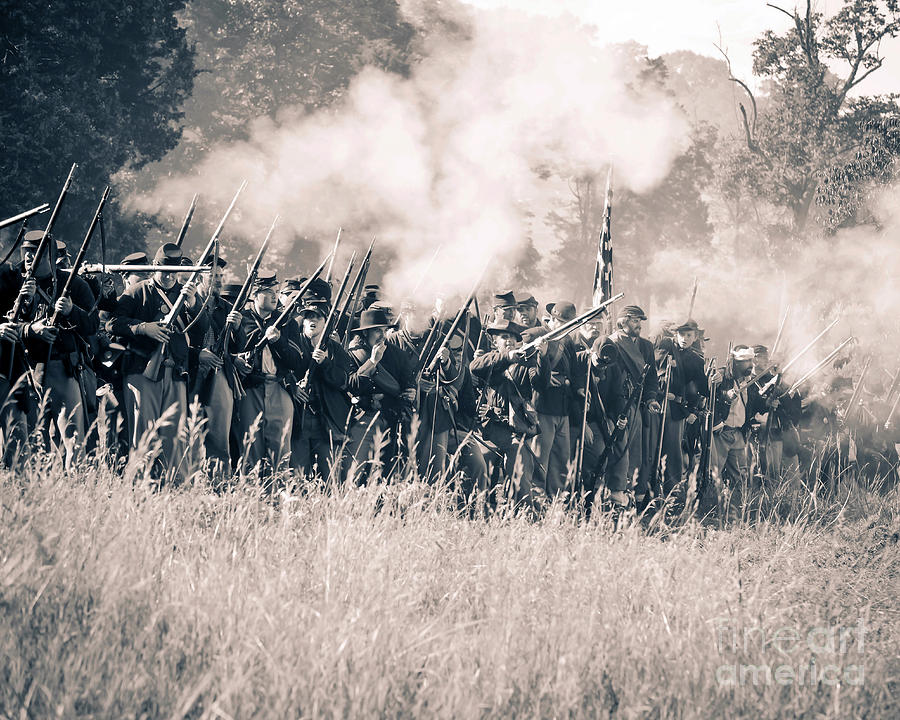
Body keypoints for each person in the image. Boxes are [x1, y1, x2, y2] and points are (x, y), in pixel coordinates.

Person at [109, 242, 209, 478]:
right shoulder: (138, 291)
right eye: (164, 271)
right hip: (143, 372)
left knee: (175, 438)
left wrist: (193, 303)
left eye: (173, 272)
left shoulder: (186, 294)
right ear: (154, 266)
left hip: (175, 374)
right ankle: (139, 489)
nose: (168, 276)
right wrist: (144, 328)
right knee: (143, 437)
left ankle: (177, 492)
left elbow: (202, 329)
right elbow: (113, 323)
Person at [234, 271, 302, 479]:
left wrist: (277, 340)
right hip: (249, 389)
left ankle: (279, 498)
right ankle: (249, 498)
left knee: (280, 452)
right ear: (254, 294)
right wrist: (237, 359)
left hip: (279, 388)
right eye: (268, 291)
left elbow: (296, 362)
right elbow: (228, 352)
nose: (274, 296)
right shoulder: (240, 320)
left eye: (275, 291)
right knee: (249, 449)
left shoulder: (287, 323)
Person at [470, 319, 540, 507]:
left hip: (512, 428)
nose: (509, 341)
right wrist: (507, 357)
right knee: (483, 462)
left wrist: (541, 355)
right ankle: (479, 509)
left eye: (512, 338)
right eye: (504, 337)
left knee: (519, 458)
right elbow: (474, 367)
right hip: (487, 428)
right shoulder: (490, 360)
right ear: (495, 342)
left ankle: (523, 509)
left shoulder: (525, 364)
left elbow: (541, 382)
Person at [603, 305, 661, 511]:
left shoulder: (645, 346)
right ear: (622, 322)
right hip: (617, 406)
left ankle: (632, 496)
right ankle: (615, 496)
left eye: (640, 321)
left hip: (637, 404)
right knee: (620, 451)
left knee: (636, 452)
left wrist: (651, 397)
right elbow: (609, 380)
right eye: (635, 320)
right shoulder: (612, 344)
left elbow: (651, 377)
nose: (639, 325)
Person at [346, 307, 415, 480]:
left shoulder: (398, 355)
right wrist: (373, 361)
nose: (382, 335)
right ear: (365, 333)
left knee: (388, 475)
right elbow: (352, 384)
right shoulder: (353, 355)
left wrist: (411, 391)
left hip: (392, 418)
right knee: (353, 472)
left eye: (384, 330)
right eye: (377, 330)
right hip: (364, 417)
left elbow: (408, 382)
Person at [192, 262, 245, 478]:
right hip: (192, 370)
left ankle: (219, 482)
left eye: (220, 276)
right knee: (190, 431)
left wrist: (237, 328)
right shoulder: (190, 304)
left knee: (219, 436)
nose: (218, 280)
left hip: (219, 372)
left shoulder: (225, 308)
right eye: (212, 276)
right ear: (198, 280)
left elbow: (238, 347)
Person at [290, 296, 352, 479]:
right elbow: (284, 371)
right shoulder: (294, 344)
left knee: (330, 477)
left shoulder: (336, 350)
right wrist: (293, 387)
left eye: (318, 317)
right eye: (309, 317)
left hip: (326, 421)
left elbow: (343, 381)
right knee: (298, 477)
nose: (312, 321)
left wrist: (325, 363)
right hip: (299, 419)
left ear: (326, 322)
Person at [653, 319, 707, 500]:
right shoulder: (665, 347)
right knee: (653, 447)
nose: (685, 338)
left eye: (689, 335)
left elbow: (698, 389)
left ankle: (672, 491)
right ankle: (648, 490)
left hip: (679, 410)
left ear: (695, 337)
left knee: (675, 450)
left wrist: (691, 410)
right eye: (681, 334)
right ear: (675, 335)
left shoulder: (696, 359)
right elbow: (656, 374)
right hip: (658, 405)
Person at [529, 300, 577, 500]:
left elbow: (574, 373)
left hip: (562, 409)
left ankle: (557, 501)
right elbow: (533, 375)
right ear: (552, 319)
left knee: (560, 460)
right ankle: (536, 500)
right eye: (561, 321)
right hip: (543, 407)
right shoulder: (536, 336)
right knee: (539, 459)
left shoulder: (567, 342)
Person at [709, 345, 755, 491]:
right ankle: (712, 506)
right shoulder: (722, 376)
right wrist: (725, 395)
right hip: (722, 433)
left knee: (740, 476)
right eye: (745, 361)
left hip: (738, 434)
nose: (750, 365)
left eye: (750, 360)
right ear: (736, 363)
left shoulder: (747, 381)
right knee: (714, 474)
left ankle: (737, 506)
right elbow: (710, 399)